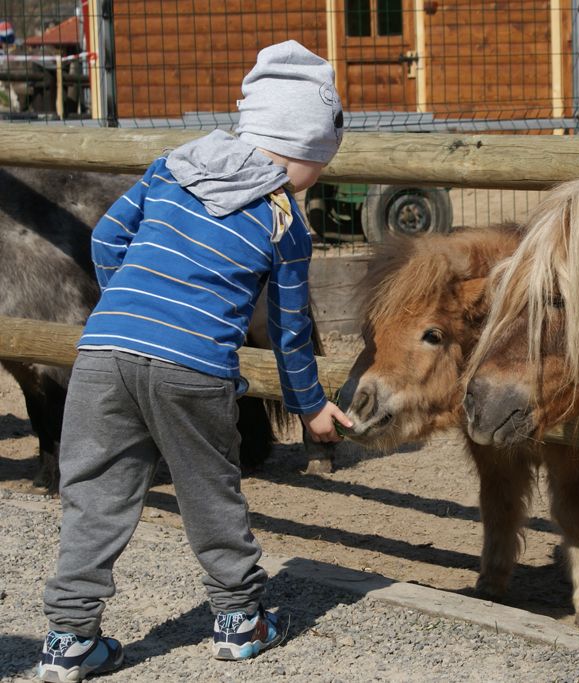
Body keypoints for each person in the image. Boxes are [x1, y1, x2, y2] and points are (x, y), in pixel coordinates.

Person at [36, 40, 351, 682]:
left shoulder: (171, 168)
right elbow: (290, 334)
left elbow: (106, 237)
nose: (318, 174)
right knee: (210, 489)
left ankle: (68, 638)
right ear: (302, 149)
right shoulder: (283, 223)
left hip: (104, 349)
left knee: (93, 492)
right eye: (319, 161)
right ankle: (239, 619)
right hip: (195, 366)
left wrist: (129, 302)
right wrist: (311, 408)